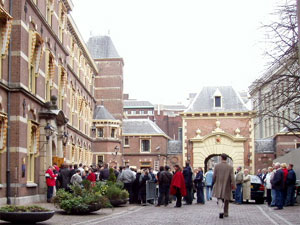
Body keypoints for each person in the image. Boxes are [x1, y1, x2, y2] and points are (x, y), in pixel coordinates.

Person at [212, 153, 236, 219]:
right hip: (227, 185)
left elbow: (214, 176)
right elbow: (232, 177)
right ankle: (226, 212)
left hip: (218, 184)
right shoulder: (230, 167)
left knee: (219, 197)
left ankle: (221, 210)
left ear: (221, 158)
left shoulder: (217, 166)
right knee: (226, 199)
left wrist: (214, 182)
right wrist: (234, 185)